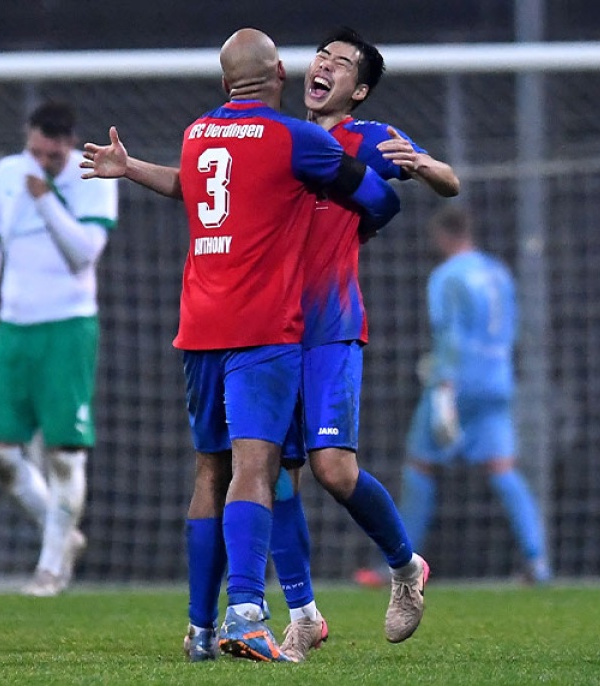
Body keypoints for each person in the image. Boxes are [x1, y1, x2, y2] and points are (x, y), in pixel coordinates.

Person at [81, 28, 400, 662]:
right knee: (256, 471)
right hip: (263, 330)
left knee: (209, 471)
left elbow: (193, 188)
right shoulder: (296, 137)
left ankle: (199, 631)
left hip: (199, 327)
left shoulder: (199, 134)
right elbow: (376, 195)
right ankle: (248, 615)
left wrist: (128, 168)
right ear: (279, 71)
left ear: (226, 81)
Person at [268, 27, 460, 661]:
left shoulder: (370, 139)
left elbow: (448, 183)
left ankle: (407, 569)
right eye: (320, 57)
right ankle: (302, 614)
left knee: (333, 470)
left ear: (360, 89)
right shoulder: (281, 138)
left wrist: (428, 167)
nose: (323, 67)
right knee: (273, 475)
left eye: (341, 63)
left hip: (331, 328)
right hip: (269, 329)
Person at [0, 100, 119, 597]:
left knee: (64, 457)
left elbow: (83, 255)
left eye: (52, 156)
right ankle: (62, 533)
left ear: (69, 147)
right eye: (35, 152)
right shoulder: (7, 172)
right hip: (13, 327)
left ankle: (50, 567)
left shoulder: (93, 176)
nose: (41, 163)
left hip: (68, 328)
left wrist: (46, 199)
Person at [355, 206, 552, 584]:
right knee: (503, 469)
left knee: (419, 466)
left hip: (458, 382)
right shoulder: (497, 272)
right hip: (496, 379)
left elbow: (450, 334)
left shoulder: (446, 277)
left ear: (443, 236)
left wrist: (444, 385)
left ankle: (399, 564)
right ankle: (538, 561)